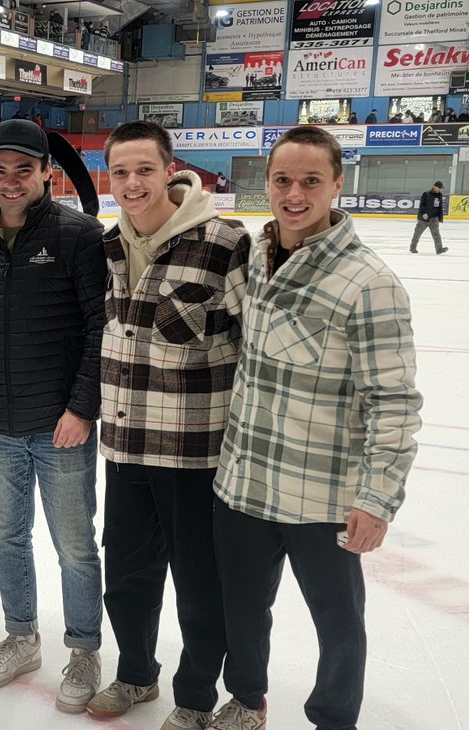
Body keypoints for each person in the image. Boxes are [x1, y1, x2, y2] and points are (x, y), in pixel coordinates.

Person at [209, 124, 422, 730]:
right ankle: (247, 700)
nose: (294, 193)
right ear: (266, 184)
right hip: (243, 483)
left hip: (322, 494)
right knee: (242, 611)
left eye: (310, 181)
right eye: (282, 180)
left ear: (337, 184)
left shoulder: (369, 283)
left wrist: (377, 498)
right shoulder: (255, 253)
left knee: (337, 619)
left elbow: (394, 400)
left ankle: (333, 718)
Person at [88, 120, 250, 729]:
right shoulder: (109, 245)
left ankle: (196, 697)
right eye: (121, 172)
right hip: (126, 447)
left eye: (144, 170)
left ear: (170, 169)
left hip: (195, 452)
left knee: (198, 582)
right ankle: (135, 675)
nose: (132, 183)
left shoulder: (225, 242)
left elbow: (252, 344)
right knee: (126, 573)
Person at [0, 119, 107, 711]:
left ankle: (84, 649)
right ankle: (21, 638)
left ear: (46, 173)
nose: (10, 183)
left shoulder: (78, 236)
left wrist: (81, 407)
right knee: (10, 537)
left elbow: (99, 327)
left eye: (23, 170)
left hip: (60, 425)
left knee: (73, 545)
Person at [410, 181, 447, 254]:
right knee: (417, 233)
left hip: (434, 219)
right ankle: (412, 247)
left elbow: (439, 206)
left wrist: (439, 217)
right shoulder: (426, 194)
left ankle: (439, 249)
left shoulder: (439, 195)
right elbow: (422, 205)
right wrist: (423, 213)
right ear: (434, 187)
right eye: (439, 188)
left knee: (436, 234)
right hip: (424, 219)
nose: (440, 190)